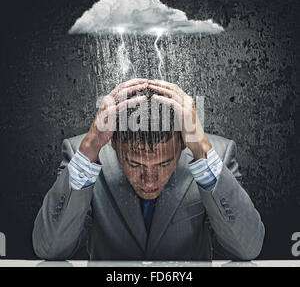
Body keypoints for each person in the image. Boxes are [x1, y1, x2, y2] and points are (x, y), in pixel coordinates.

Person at [32, 78, 265, 261]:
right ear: (114, 144)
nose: (150, 178)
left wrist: (202, 151)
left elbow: (247, 249)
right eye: (134, 164)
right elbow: (49, 248)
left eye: (164, 163)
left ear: (183, 144)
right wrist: (90, 149)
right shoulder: (84, 154)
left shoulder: (216, 155)